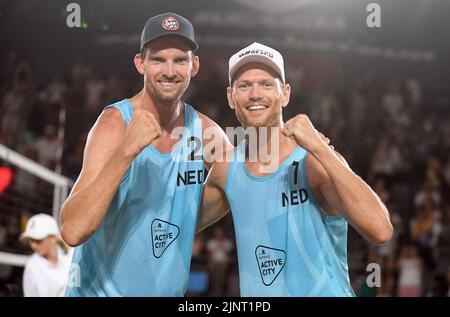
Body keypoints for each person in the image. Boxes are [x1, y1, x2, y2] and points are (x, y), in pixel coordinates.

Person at [197, 42, 393, 296]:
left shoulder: (313, 161)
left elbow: (380, 230)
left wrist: (322, 150)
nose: (255, 94)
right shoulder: (225, 169)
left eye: (267, 84)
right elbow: (177, 225)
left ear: (285, 94)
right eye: (244, 85)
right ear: (231, 97)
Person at [60, 12, 230, 296]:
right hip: (97, 293)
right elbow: (73, 230)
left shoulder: (204, 130)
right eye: (158, 59)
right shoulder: (114, 124)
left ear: (194, 66)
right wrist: (127, 150)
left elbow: (248, 181)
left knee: (230, 178)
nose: (169, 71)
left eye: (180, 60)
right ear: (140, 63)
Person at [20, 213, 72, 297]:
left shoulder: (72, 254)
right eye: (30, 240)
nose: (33, 245)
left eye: (38, 240)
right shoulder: (32, 266)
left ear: (53, 238)